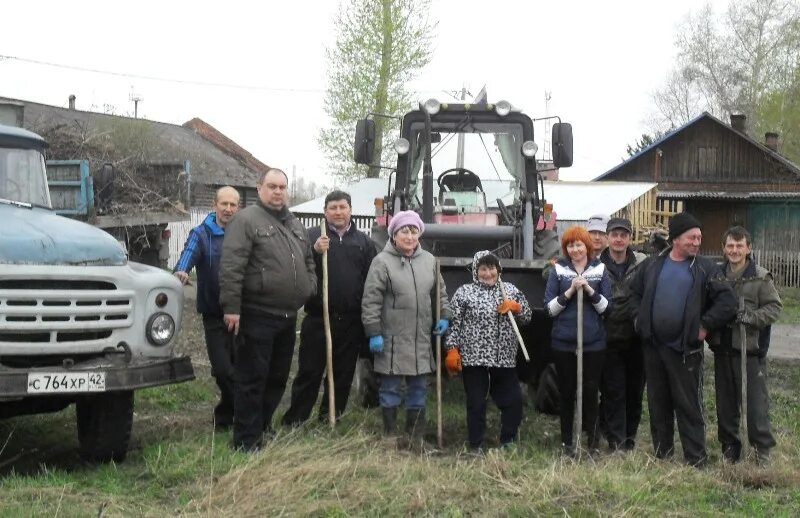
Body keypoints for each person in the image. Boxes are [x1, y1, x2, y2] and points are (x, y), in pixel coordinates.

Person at [219, 168, 316, 452]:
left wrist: (308, 286)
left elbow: (308, 260)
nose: (278, 191)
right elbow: (232, 266)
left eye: (282, 187)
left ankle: (262, 426)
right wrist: (232, 308)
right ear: (259, 188)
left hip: (287, 316)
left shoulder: (294, 223)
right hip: (256, 313)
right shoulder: (246, 220)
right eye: (272, 186)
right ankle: (246, 440)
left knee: (277, 377)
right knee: (252, 378)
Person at [629, 212, 736, 467]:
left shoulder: (705, 268)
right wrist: (639, 319)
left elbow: (728, 301)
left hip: (685, 350)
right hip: (654, 348)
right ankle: (663, 454)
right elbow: (633, 293)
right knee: (658, 404)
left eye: (699, 238)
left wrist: (705, 325)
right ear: (676, 239)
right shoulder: (653, 265)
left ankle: (696, 459)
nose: (697, 242)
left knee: (689, 406)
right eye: (692, 238)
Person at [282, 190, 376, 426]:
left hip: (350, 321)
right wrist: (314, 251)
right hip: (318, 318)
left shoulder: (363, 243)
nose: (338, 212)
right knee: (309, 372)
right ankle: (296, 420)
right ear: (325, 212)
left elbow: (371, 281)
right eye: (333, 208)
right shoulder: (312, 236)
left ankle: (330, 417)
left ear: (350, 210)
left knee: (342, 374)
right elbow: (295, 270)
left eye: (342, 207)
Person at [361, 210, 451, 447]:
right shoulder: (381, 262)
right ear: (394, 234)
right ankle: (390, 435)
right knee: (390, 387)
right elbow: (371, 300)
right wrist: (373, 332)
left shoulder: (430, 261)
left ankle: (415, 437)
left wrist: (444, 316)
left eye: (413, 231)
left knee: (419, 388)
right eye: (404, 231)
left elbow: (439, 294)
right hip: (391, 337)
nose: (409, 236)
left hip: (420, 337)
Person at [710, 226, 782, 464]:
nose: (734, 250)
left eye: (739, 246)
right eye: (730, 245)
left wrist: (751, 318)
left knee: (755, 406)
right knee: (725, 404)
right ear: (723, 248)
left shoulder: (760, 277)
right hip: (723, 350)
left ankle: (762, 451)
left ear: (748, 248)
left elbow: (774, 308)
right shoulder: (716, 275)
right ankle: (730, 449)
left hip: (750, 352)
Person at [446, 251, 532, 451]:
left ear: (498, 269)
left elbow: (527, 317)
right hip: (474, 359)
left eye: (491, 268)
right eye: (483, 269)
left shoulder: (509, 290)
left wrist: (517, 307)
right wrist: (452, 350)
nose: (488, 273)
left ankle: (508, 440)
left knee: (513, 402)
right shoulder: (464, 292)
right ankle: (476, 444)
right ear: (476, 271)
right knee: (476, 403)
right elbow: (455, 324)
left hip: (504, 359)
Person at [173, 186, 240, 430]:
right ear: (215, 205)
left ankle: (225, 418)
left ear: (238, 208)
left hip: (242, 313)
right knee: (223, 370)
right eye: (224, 204)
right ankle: (241, 411)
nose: (228, 209)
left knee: (240, 367)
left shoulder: (243, 233)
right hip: (214, 314)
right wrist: (182, 269)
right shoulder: (201, 233)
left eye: (233, 205)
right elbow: (189, 252)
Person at [545, 225, 612, 457]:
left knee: (591, 391)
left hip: (593, 343)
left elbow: (606, 309)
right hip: (564, 342)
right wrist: (570, 291)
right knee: (567, 392)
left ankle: (592, 442)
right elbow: (550, 309)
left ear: (587, 246)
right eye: (570, 245)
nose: (575, 249)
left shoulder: (600, 270)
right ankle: (567, 442)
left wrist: (590, 291)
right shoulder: (558, 271)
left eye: (579, 244)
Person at [598, 217, 647, 451]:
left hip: (636, 337)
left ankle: (629, 437)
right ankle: (616, 440)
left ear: (630, 238)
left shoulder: (643, 263)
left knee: (635, 391)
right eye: (614, 234)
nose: (619, 239)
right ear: (607, 237)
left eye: (623, 235)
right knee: (613, 390)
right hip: (607, 338)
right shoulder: (595, 265)